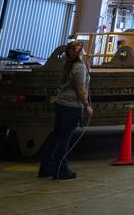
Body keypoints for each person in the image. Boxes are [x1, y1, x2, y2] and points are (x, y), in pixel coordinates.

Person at [38, 40, 92, 180]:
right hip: (71, 107)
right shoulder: (79, 67)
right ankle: (61, 170)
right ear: (79, 53)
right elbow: (80, 90)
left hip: (61, 104)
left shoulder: (69, 64)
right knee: (64, 139)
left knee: (56, 136)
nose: (85, 52)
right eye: (83, 50)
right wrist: (87, 105)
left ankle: (46, 167)